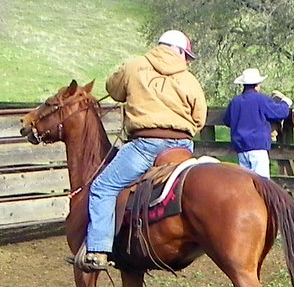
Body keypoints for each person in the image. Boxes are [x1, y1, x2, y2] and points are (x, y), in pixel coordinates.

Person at [77, 29, 207, 272]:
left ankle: (98, 250)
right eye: (187, 56)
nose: (187, 61)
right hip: (182, 147)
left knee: (103, 187)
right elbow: (199, 118)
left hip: (145, 146)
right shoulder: (189, 79)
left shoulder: (134, 66)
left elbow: (113, 89)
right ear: (179, 52)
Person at [220, 67, 293, 178]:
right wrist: (285, 103)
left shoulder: (235, 102)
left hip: (241, 148)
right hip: (258, 147)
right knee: (261, 183)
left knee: (245, 182)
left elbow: (227, 120)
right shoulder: (261, 100)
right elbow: (280, 113)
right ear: (257, 85)